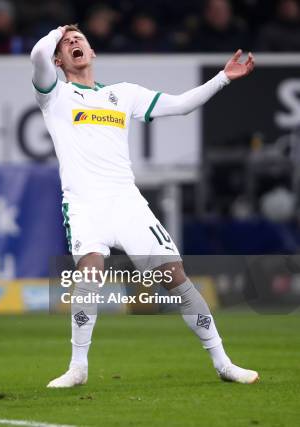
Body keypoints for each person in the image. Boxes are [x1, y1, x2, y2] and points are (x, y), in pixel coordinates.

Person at [30, 24, 258, 388]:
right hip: (85, 206)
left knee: (174, 277)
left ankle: (223, 363)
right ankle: (78, 367)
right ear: (59, 59)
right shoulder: (54, 95)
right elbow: (37, 55)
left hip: (127, 204)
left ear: (92, 53)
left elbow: (181, 105)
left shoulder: (124, 95)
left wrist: (223, 79)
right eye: (67, 43)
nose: (74, 43)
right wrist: (58, 31)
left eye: (80, 40)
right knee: (89, 273)